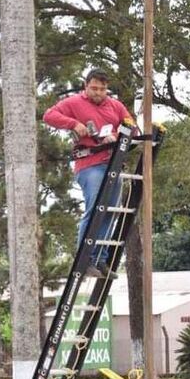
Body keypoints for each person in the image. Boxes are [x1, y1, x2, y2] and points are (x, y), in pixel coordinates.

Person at [43, 68, 134, 279]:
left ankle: (100, 259)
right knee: (95, 209)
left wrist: (117, 133)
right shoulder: (74, 103)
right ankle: (85, 259)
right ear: (86, 86)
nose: (98, 92)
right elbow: (49, 115)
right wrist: (74, 123)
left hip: (113, 164)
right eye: (94, 88)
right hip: (90, 164)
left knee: (110, 211)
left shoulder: (115, 105)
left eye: (103, 89)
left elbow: (131, 125)